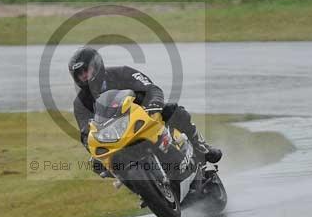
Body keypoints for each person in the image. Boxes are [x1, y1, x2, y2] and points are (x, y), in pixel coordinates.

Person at [69, 47, 222, 175]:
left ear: (96, 65)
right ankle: (140, 187)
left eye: (85, 71)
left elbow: (150, 88)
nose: (84, 76)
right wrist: (94, 149)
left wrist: (154, 103)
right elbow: (85, 132)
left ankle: (202, 147)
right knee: (97, 164)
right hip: (117, 135)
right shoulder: (80, 103)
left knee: (174, 110)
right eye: (80, 75)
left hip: (144, 115)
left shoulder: (122, 72)